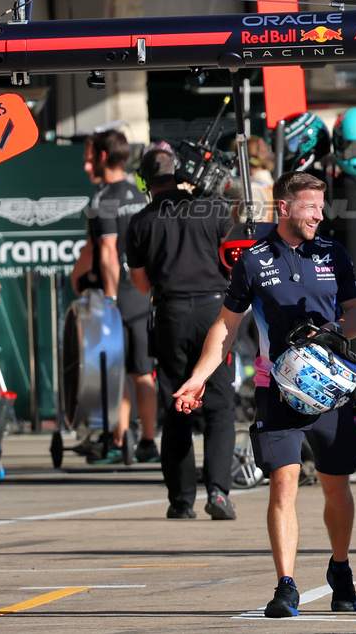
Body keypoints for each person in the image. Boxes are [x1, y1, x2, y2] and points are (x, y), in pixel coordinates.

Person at [174, 171, 356, 618]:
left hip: (331, 389)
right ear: (284, 207)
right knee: (282, 484)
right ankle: (286, 585)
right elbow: (226, 327)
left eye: (322, 205)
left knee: (336, 486)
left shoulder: (333, 253)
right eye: (310, 206)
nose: (319, 214)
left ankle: (340, 567)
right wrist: (199, 377)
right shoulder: (254, 260)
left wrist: (331, 333)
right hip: (275, 388)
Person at [126, 147, 238, 520]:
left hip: (170, 313)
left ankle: (181, 500)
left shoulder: (141, 221)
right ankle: (219, 492)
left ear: (144, 181)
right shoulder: (213, 211)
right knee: (220, 405)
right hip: (214, 314)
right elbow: (235, 263)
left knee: (178, 407)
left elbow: (141, 285)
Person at [71, 129, 155, 462]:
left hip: (119, 293)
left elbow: (103, 250)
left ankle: (119, 442)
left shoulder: (101, 199)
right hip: (144, 292)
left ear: (103, 157)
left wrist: (106, 295)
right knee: (143, 372)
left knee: (116, 370)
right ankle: (147, 441)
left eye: (89, 157)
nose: (86, 165)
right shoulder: (140, 193)